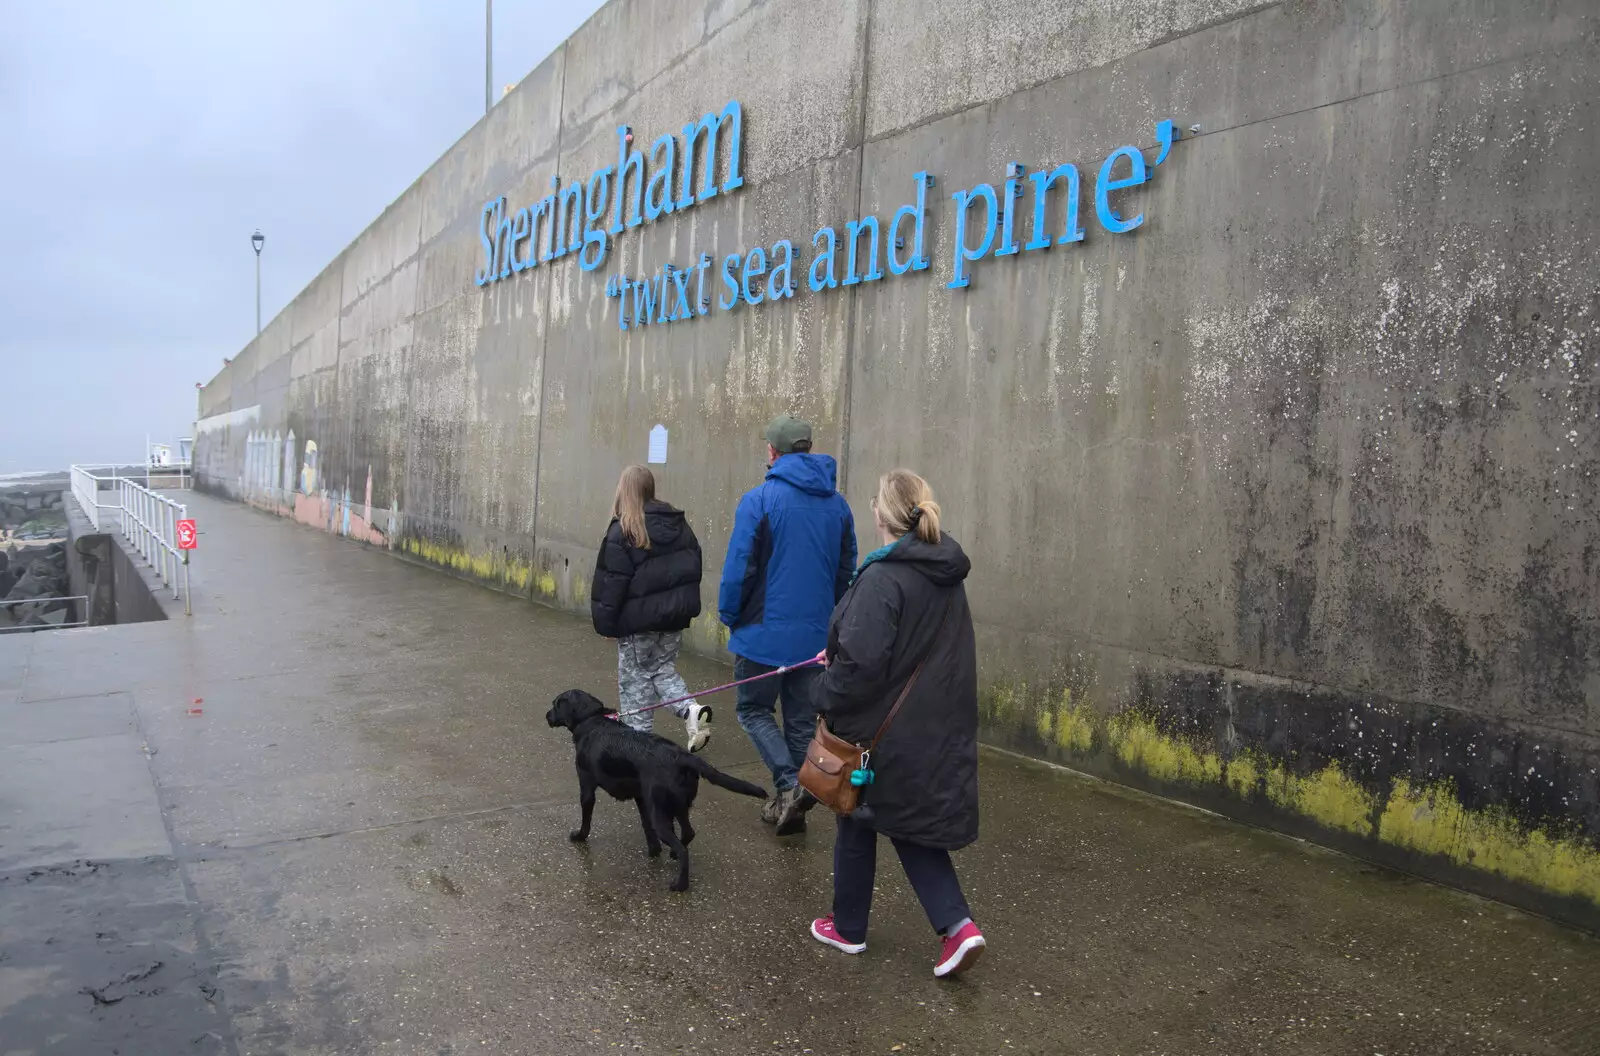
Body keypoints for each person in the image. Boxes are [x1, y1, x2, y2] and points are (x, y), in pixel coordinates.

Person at [808, 469, 985, 978]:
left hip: (883, 729)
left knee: (863, 813)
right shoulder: (943, 572)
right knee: (882, 818)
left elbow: (861, 668)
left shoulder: (882, 577)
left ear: (880, 514)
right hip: (933, 724)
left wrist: (820, 689)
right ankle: (932, 927)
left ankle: (942, 927)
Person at [718, 415, 856, 835]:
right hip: (815, 639)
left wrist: (729, 615)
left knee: (753, 710)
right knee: (799, 722)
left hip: (762, 635)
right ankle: (795, 803)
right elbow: (846, 571)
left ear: (772, 452)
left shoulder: (758, 500)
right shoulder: (839, 506)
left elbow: (740, 569)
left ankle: (789, 783)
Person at [591, 465, 712, 751]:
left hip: (638, 624)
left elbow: (614, 582)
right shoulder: (679, 525)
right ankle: (690, 710)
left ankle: (637, 745)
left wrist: (607, 624)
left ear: (624, 490)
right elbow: (693, 566)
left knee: (635, 684)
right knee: (661, 670)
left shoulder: (625, 529)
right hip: (672, 619)